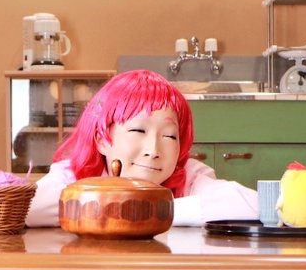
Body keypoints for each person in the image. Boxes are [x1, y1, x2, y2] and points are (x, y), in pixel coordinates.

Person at [25, 70, 258, 226]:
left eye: (169, 135)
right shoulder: (74, 176)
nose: (153, 150)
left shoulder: (189, 176)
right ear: (102, 139)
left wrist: (147, 211)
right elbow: (26, 210)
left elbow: (252, 205)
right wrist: (121, 206)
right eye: (138, 130)